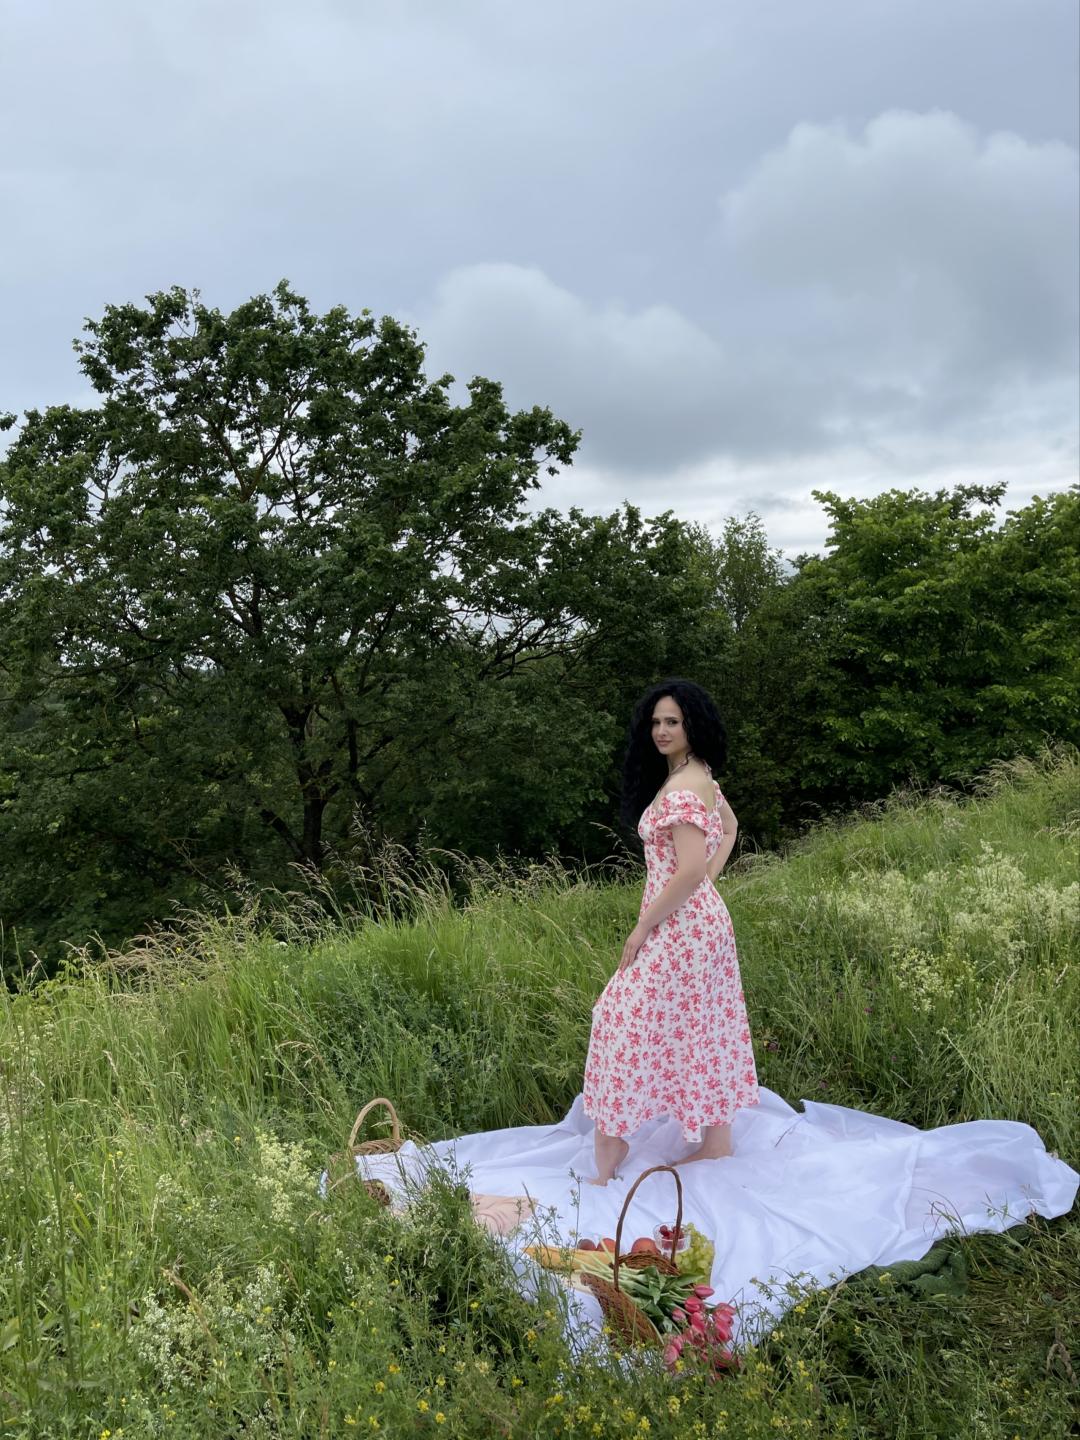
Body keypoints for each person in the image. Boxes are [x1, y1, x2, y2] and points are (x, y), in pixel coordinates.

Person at [582, 678, 759, 1184]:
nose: (661, 730)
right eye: (656, 722)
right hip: (696, 920)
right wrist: (706, 886)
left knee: (618, 1015)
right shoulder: (698, 775)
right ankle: (716, 1142)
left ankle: (612, 1144)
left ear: (692, 725)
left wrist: (642, 927)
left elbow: (688, 870)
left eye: (673, 722)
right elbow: (729, 829)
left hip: (682, 927)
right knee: (706, 1021)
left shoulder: (683, 788)